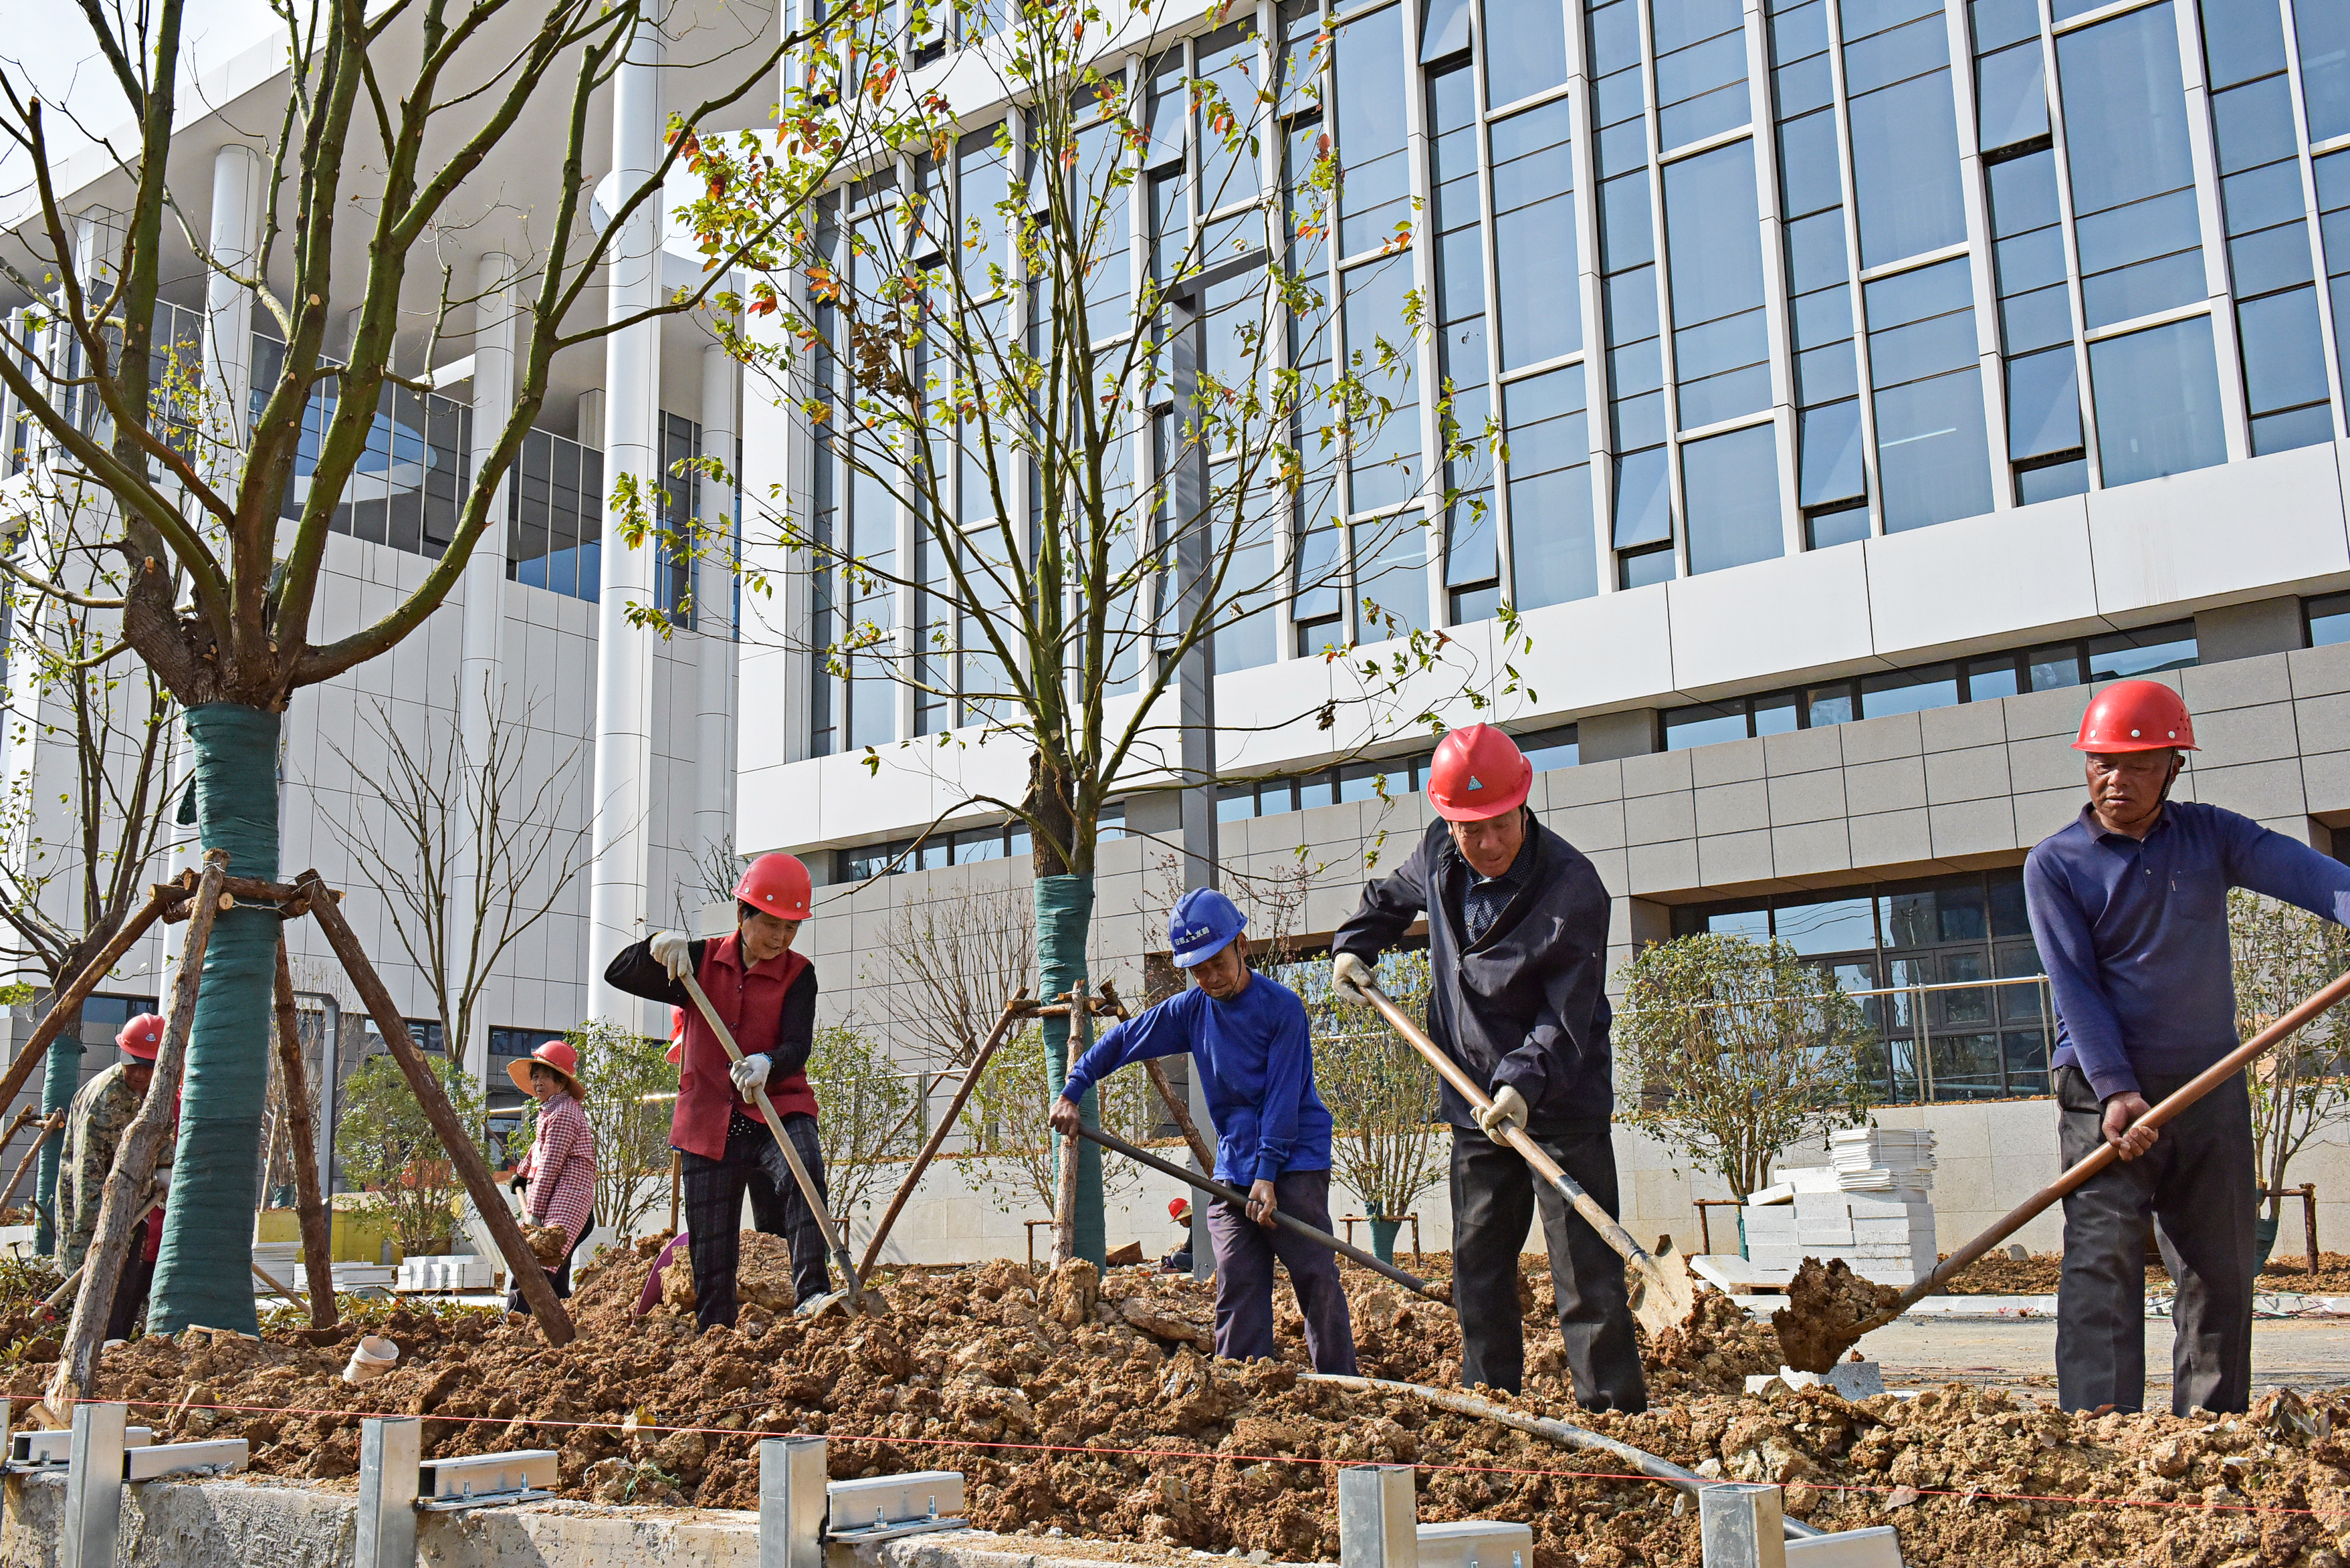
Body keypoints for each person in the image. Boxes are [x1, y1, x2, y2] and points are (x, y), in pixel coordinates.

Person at [2026, 679, 2350, 1417]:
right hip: (2100, 1091)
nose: (2114, 780)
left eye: (2135, 765)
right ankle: (2099, 1438)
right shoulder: (2055, 863)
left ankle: (2205, 1434)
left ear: (2173, 766)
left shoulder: (2211, 835)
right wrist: (2115, 1089)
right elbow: (2073, 985)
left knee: (2219, 1270)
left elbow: (2309, 874)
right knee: (2101, 1267)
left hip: (2208, 1084)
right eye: (2100, 762)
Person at [1329, 723, 1643, 1411]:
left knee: (1585, 1272)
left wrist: (1521, 1083)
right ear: (1449, 821)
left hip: (1557, 1099)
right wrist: (1355, 945)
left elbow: (1565, 1017)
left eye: (1499, 825)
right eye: (1471, 829)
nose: (1487, 843)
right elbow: (1388, 899)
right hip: (1472, 1095)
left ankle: (1613, 1414)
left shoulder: (1573, 887)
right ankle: (1489, 1402)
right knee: (1478, 1263)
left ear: (1522, 805)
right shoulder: (1441, 851)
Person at [1049, 889, 1357, 1373]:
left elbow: (1281, 1099)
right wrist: (1075, 1085)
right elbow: (1126, 1039)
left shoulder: (1283, 1009)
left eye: (1217, 963)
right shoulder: (1192, 1010)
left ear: (1241, 943)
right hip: (1237, 1166)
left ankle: (1340, 1383)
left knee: (1314, 1273)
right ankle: (1242, 1382)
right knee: (1236, 1274)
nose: (1210, 977)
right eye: (1198, 969)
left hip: (1294, 1160)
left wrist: (1269, 1174)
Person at [606, 852, 830, 1331]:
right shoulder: (699, 963)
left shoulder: (799, 974)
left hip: (777, 1109)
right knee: (711, 1235)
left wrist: (768, 1063)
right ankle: (717, 1332)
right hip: (710, 1119)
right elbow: (618, 972)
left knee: (803, 1173)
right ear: (742, 914)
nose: (780, 938)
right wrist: (658, 946)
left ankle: (813, 1294)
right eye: (771, 924)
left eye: (791, 928)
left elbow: (798, 1044)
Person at [59, 1012, 175, 1341]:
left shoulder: (157, 1090)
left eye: (148, 1066)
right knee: (96, 1284)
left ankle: (116, 1347)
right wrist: (102, 1226)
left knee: (125, 1282)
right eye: (133, 1063)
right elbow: (87, 1171)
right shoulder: (104, 1100)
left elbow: (161, 1128)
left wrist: (165, 1167)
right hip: (93, 1210)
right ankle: (92, 1349)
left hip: (132, 1205)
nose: (139, 1074)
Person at [506, 1040, 598, 1311]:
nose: (538, 1082)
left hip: (567, 1202)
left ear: (561, 1081)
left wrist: (534, 1215)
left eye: (546, 1075)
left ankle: (512, 1323)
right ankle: (560, 1324)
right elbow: (539, 1150)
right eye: (535, 1076)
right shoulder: (551, 1112)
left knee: (534, 1268)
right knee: (555, 1279)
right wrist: (522, 1175)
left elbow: (549, 1167)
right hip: (564, 1204)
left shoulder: (564, 1115)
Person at [1160, 1197, 1194, 1274]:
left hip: (1202, 1259)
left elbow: (1187, 1248)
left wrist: (1170, 1260)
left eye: (1180, 1220)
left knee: (1176, 1257)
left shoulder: (1196, 1226)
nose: (1181, 1224)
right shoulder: (1194, 1225)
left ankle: (1181, 1269)